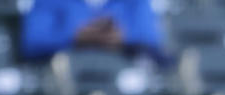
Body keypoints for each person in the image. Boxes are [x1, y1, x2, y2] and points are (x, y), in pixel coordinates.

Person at [20, 0, 164, 61]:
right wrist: (75, 37)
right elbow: (33, 42)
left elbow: (151, 39)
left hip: (123, 74)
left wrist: (122, 37)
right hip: (66, 75)